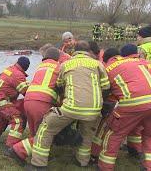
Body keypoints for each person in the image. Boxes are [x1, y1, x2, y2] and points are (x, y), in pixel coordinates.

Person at [27, 41, 111, 170]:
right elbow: (106, 87)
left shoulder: (66, 64)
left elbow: (59, 85)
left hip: (71, 108)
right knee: (87, 135)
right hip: (94, 110)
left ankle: (38, 164)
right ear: (89, 52)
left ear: (74, 51)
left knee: (46, 128)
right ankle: (82, 162)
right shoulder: (98, 64)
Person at [98, 46, 151, 171]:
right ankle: (150, 167)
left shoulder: (110, 67)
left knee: (114, 133)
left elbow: (106, 91)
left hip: (133, 101)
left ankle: (105, 167)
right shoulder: (146, 63)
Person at [4, 48, 61, 164]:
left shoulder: (40, 66)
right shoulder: (59, 67)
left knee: (35, 132)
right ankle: (17, 150)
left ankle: (37, 154)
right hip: (43, 102)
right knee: (44, 134)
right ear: (57, 58)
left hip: (28, 100)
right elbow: (61, 86)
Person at [0, 57, 30, 148]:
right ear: (26, 67)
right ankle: (11, 146)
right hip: (0, 101)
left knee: (2, 120)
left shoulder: (10, 69)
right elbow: (26, 92)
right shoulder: (19, 75)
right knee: (18, 120)